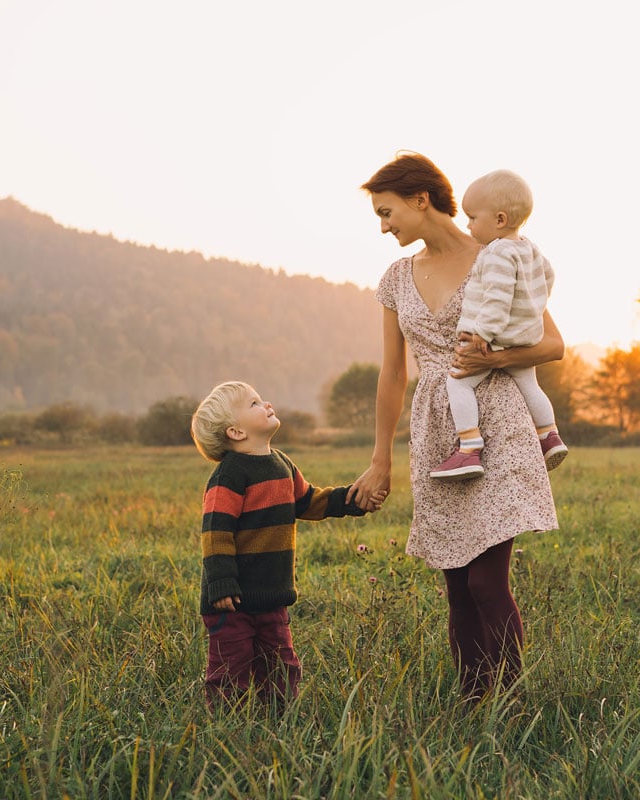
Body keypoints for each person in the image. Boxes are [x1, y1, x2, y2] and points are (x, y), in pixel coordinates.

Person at [348, 152, 562, 700]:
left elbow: (552, 344)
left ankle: (511, 708)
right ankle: (474, 705)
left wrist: (493, 361)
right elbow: (393, 374)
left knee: (488, 579)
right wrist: (380, 457)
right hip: (437, 431)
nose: (383, 225)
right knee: (457, 583)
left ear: (420, 200)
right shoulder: (396, 279)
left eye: (386, 211)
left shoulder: (500, 253)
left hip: (498, 419)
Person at [190, 380, 383, 708]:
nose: (265, 403)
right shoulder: (230, 475)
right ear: (236, 432)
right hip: (231, 602)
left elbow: (309, 501)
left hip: (272, 595)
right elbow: (216, 531)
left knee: (281, 666)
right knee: (230, 667)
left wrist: (353, 500)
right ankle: (226, 723)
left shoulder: (281, 464)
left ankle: (279, 718)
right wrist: (221, 583)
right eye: (253, 404)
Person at [430, 169, 567, 481]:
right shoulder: (528, 247)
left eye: (473, 218)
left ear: (500, 220)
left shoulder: (497, 253)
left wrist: (483, 333)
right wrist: (534, 305)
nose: (468, 225)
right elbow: (548, 275)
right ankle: (549, 436)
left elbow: (497, 298)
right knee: (530, 384)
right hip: (525, 337)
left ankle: (468, 446)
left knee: (459, 381)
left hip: (494, 337)